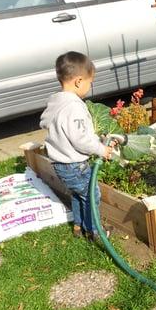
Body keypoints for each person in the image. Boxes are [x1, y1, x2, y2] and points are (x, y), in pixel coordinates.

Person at [40, 51, 113, 240]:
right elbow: (80, 140)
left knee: (77, 195)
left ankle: (78, 227)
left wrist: (95, 136)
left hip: (60, 164)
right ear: (79, 81)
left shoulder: (57, 102)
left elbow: (73, 132)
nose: (90, 86)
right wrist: (101, 149)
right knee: (91, 195)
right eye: (90, 82)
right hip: (75, 166)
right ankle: (94, 231)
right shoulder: (74, 107)